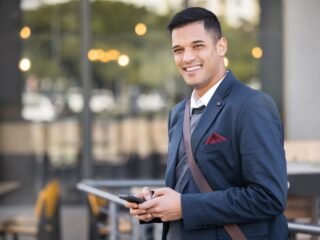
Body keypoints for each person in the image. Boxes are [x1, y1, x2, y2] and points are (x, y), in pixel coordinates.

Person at [125, 7, 288, 240]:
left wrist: (184, 206)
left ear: (221, 46)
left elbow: (269, 197)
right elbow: (190, 187)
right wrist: (155, 206)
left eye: (198, 46)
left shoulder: (252, 106)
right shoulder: (178, 113)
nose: (187, 57)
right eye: (178, 50)